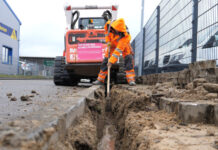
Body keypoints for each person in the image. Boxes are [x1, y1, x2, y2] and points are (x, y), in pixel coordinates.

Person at [93, 18, 136, 86]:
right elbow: (106, 33)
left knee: (128, 59)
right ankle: (100, 80)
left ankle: (131, 80)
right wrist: (108, 42)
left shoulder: (125, 37)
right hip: (112, 43)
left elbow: (118, 51)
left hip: (124, 46)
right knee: (105, 61)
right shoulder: (108, 25)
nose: (116, 31)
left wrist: (111, 61)